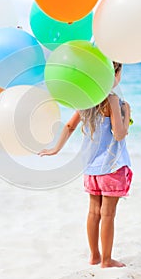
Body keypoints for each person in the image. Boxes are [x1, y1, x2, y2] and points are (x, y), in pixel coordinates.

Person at [38, 62, 133, 268]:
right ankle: (107, 261)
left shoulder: (86, 99)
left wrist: (55, 149)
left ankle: (95, 256)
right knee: (108, 214)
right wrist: (127, 115)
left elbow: (70, 125)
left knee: (93, 212)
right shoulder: (114, 100)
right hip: (112, 167)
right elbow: (118, 133)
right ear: (115, 74)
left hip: (91, 168)